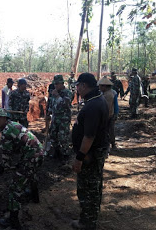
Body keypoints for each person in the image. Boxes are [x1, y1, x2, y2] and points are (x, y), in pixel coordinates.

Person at [0, 108, 44, 230]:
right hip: (38, 152)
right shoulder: (14, 124)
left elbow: (7, 158)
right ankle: (35, 197)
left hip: (31, 157)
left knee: (14, 189)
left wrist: (2, 168)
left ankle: (13, 221)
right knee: (31, 173)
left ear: (4, 118)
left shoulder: (6, 133)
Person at [71, 73, 109, 230]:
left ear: (84, 85)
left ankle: (87, 223)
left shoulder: (93, 105)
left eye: (78, 85)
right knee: (93, 187)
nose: (77, 88)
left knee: (88, 189)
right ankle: (88, 219)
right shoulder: (95, 100)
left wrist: (79, 158)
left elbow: (89, 136)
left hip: (89, 155)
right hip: (93, 153)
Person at [48, 75, 72, 162]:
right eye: (55, 84)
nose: (55, 86)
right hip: (55, 117)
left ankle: (65, 155)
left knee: (63, 137)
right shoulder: (53, 92)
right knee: (53, 135)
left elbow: (65, 105)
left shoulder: (67, 93)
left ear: (62, 83)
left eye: (57, 84)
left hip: (64, 118)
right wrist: (49, 111)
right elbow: (51, 102)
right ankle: (56, 152)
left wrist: (57, 96)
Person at [98, 77, 119, 150]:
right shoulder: (113, 93)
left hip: (107, 115)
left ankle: (107, 145)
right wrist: (116, 113)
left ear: (105, 86)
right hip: (111, 114)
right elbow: (116, 105)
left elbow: (115, 105)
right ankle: (112, 144)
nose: (99, 87)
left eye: (100, 86)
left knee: (106, 131)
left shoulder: (104, 95)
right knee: (111, 130)